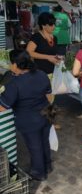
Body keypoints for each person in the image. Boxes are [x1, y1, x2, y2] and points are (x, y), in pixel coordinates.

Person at [0, 50, 52, 181]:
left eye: (11, 63)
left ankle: (38, 173)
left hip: (29, 120)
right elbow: (49, 96)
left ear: (16, 64)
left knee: (35, 146)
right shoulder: (41, 74)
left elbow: (2, 107)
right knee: (44, 141)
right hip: (47, 114)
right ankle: (48, 166)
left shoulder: (15, 84)